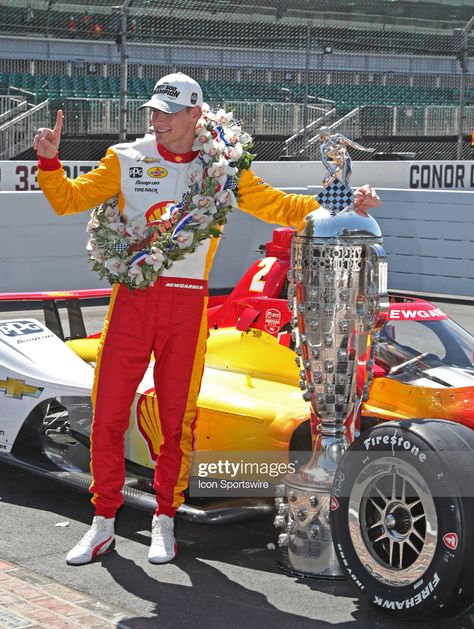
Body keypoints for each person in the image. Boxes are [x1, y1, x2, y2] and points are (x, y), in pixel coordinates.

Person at [34, 72, 380, 567]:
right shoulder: (125, 158)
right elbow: (66, 199)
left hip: (186, 304)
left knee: (178, 420)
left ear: (196, 115)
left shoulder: (222, 168)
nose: (158, 120)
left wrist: (341, 203)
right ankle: (103, 521)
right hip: (132, 300)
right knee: (108, 414)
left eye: (168, 112)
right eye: (153, 111)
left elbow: (278, 206)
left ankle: (164, 520)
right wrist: (49, 160)